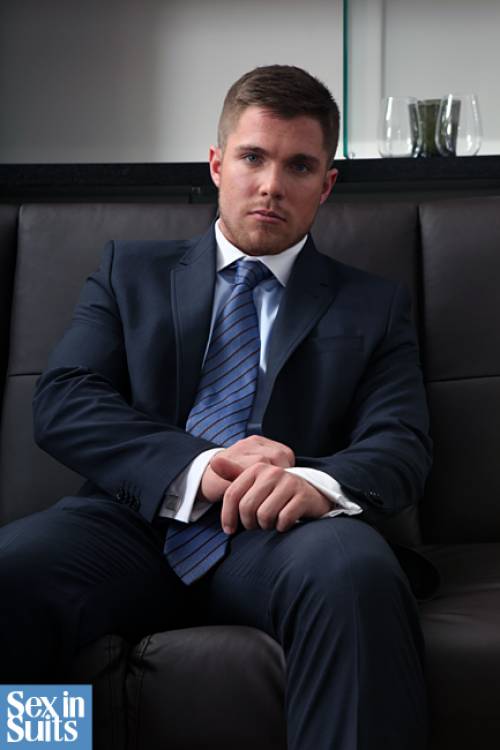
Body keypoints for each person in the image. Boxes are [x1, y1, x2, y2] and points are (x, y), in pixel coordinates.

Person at [0, 65, 432, 749]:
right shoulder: (127, 271)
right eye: (253, 157)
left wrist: (314, 484)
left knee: (355, 573)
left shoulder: (374, 306)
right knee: (11, 573)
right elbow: (66, 398)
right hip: (133, 523)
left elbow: (401, 441)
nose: (271, 185)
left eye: (298, 166)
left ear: (325, 185)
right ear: (216, 163)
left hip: (283, 535)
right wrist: (199, 468)